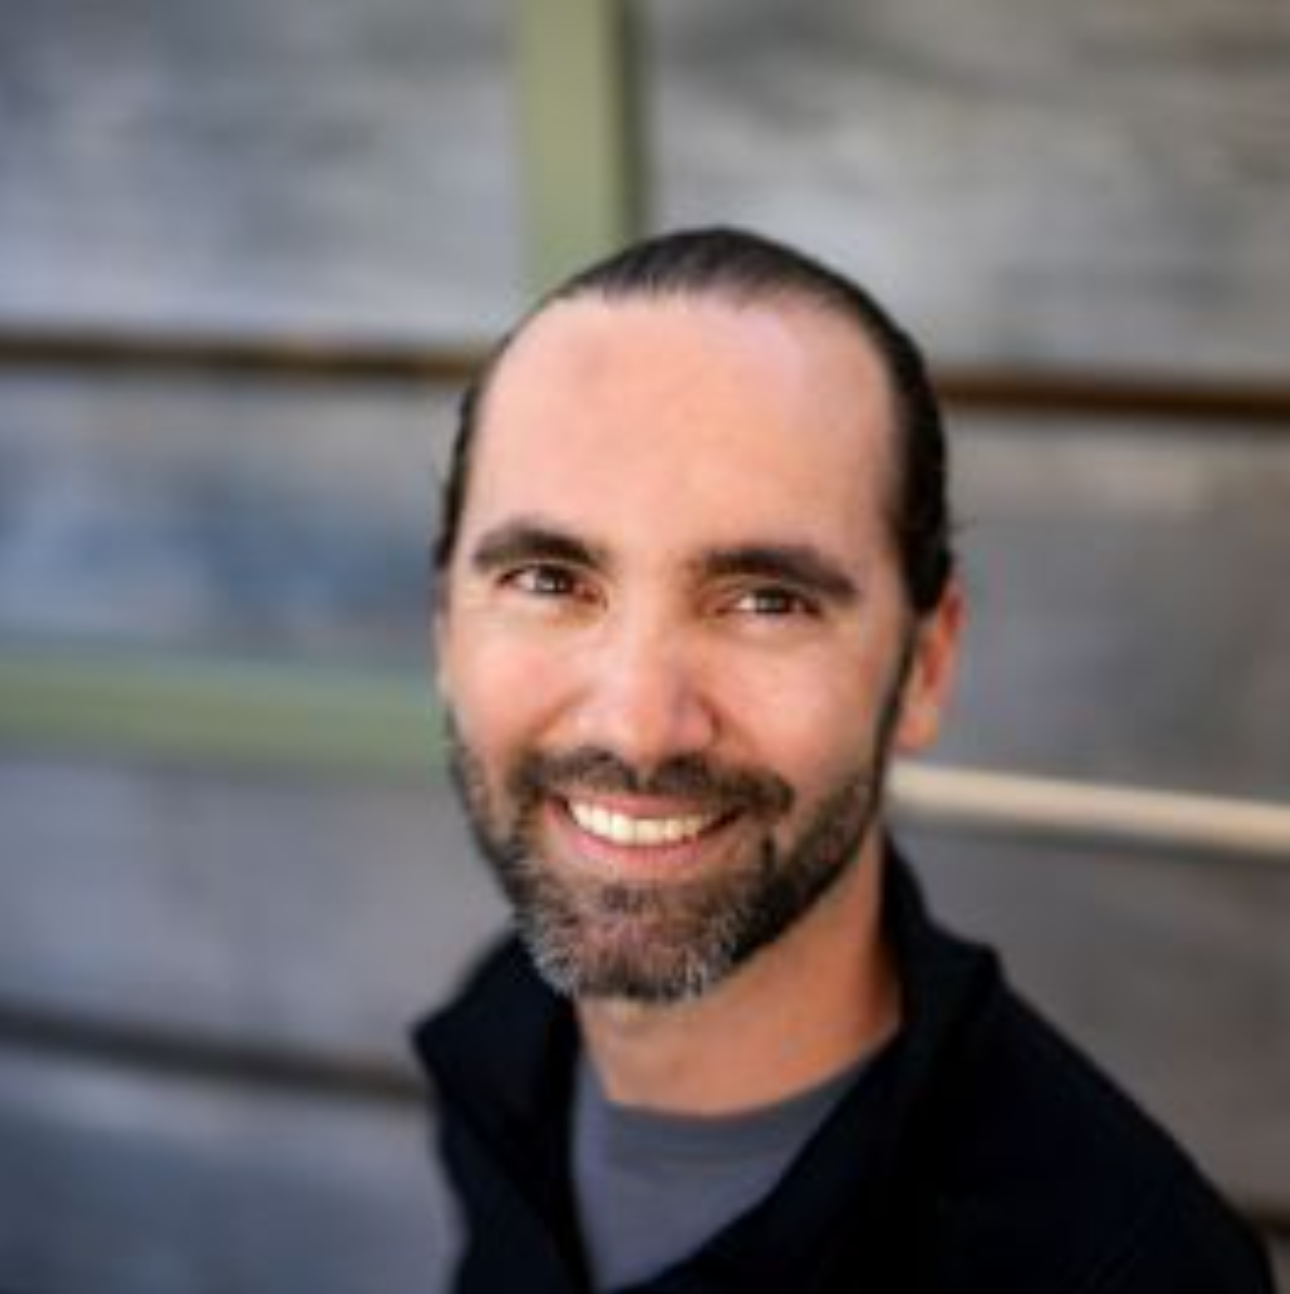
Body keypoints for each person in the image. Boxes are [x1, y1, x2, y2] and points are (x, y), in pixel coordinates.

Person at [413, 227, 1273, 1292]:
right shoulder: (510, 1040)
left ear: (924, 665)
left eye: (766, 600)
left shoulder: (1119, 1271)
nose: (637, 725)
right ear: (445, 622)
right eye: (549, 580)